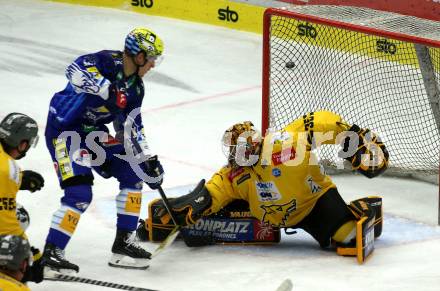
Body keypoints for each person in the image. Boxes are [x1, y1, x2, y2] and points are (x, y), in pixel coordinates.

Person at [146, 111, 388, 262]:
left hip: (314, 205)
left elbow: (320, 122)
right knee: (205, 214)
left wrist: (353, 136)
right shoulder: (234, 174)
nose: (233, 157)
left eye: (238, 151)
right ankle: (168, 218)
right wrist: (191, 205)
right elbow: (215, 191)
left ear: (253, 145)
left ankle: (360, 210)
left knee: (348, 240)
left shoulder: (284, 145)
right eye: (231, 152)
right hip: (267, 216)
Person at [42, 27, 165, 272]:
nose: (152, 65)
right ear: (138, 55)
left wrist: (147, 161)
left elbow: (130, 129)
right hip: (65, 132)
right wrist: (105, 88)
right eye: (150, 59)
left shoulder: (136, 88)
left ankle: (123, 244)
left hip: (93, 133)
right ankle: (51, 254)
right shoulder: (108, 62)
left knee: (134, 175)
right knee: (79, 194)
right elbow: (74, 70)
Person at [0, 113, 45, 284]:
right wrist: (27, 256)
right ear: (22, 144)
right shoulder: (7, 169)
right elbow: (6, 223)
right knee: (20, 217)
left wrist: (19, 181)